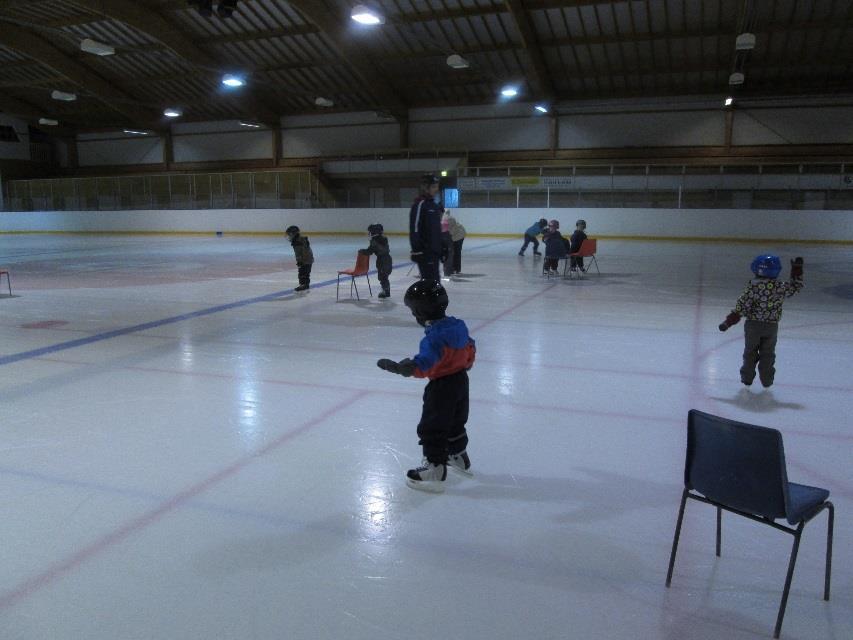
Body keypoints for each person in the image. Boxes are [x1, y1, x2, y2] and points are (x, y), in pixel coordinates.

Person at [376, 280, 476, 492]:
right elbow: (470, 348)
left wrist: (401, 367)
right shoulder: (458, 325)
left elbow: (425, 365)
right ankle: (459, 457)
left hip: (441, 387)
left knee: (433, 427)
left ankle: (435, 468)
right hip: (460, 381)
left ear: (420, 312)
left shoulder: (434, 338)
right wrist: (464, 365)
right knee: (456, 421)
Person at [718, 255, 804, 388]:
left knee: (750, 352)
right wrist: (797, 270)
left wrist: (727, 323)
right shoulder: (779, 287)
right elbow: (795, 287)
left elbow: (741, 308)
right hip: (771, 326)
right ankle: (767, 380)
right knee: (768, 354)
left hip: (753, 326)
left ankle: (747, 378)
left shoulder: (752, 288)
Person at [409, 174, 443, 282]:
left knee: (436, 281)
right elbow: (414, 229)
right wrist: (417, 250)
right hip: (425, 253)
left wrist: (442, 246)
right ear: (425, 188)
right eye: (433, 187)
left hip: (434, 252)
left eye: (437, 186)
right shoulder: (420, 204)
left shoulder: (434, 206)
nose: (436, 189)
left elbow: (436, 230)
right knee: (429, 282)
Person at [359, 223, 392, 298]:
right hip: (388, 259)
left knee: (382, 277)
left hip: (382, 260)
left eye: (370, 232)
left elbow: (369, 251)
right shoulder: (383, 238)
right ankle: (387, 291)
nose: (369, 233)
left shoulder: (375, 241)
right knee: (385, 276)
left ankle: (385, 291)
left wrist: (362, 251)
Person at [285, 225, 313, 291]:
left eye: (290, 234)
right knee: (303, 272)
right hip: (305, 259)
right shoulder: (297, 240)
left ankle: (304, 285)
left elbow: (303, 252)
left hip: (306, 260)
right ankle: (304, 284)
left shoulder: (298, 241)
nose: (289, 236)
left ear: (294, 234)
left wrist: (301, 261)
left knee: (303, 272)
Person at [440, 211, 454, 279]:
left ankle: (447, 271)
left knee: (446, 254)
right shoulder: (448, 219)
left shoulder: (441, 219)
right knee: (448, 254)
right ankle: (447, 272)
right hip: (445, 236)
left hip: (442, 236)